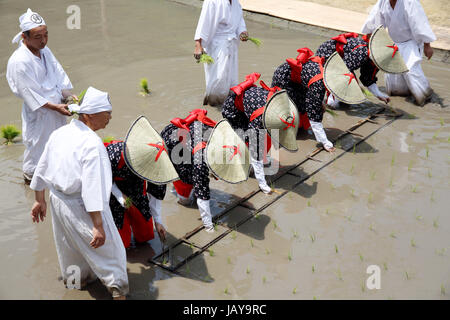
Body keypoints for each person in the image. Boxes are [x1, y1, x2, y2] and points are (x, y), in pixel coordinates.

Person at [29, 87, 128, 300]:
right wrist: (98, 225)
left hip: (58, 202)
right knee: (111, 254)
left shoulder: (60, 133)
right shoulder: (92, 144)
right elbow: (93, 189)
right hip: (81, 206)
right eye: (107, 112)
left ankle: (76, 286)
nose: (110, 117)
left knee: (69, 249)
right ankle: (119, 292)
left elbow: (42, 166)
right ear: (90, 114)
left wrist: (39, 200)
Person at [6, 8, 75, 184]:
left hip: (57, 107)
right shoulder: (19, 61)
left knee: (57, 144)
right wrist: (55, 107)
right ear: (24, 37)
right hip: (39, 112)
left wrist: (70, 97)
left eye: (46, 35)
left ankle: (52, 182)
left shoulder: (45, 51)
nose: (43, 41)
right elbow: (29, 94)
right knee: (37, 148)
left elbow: (59, 76)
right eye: (38, 37)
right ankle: (30, 182)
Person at [105, 116, 179, 249]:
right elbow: (103, 178)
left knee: (145, 236)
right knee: (123, 244)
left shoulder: (158, 165)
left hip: (137, 190)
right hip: (113, 191)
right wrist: (120, 196)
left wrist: (158, 221)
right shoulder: (113, 154)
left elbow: (155, 194)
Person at [222, 72, 300, 194]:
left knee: (265, 136)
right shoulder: (259, 119)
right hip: (234, 108)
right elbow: (255, 150)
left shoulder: (278, 104)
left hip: (250, 104)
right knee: (243, 138)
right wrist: (263, 184)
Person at [361, 0, 436, 105]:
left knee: (410, 71)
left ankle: (425, 96)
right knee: (394, 81)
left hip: (410, 43)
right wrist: (368, 42)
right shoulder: (383, 2)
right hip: (393, 43)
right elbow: (374, 21)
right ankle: (405, 97)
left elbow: (420, 23)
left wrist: (427, 46)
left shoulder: (410, 2)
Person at [161, 109, 218, 232]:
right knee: (186, 200)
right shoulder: (200, 161)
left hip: (180, 140)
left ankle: (176, 186)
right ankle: (180, 193)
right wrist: (208, 224)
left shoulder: (217, 132)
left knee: (197, 179)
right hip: (175, 152)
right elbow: (203, 193)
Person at [194, 0, 248, 106]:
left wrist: (242, 31)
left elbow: (239, 20)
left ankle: (229, 106)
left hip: (232, 44)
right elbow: (204, 22)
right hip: (217, 45)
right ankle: (212, 104)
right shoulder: (212, 1)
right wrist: (198, 44)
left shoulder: (236, 3)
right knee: (218, 78)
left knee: (231, 78)